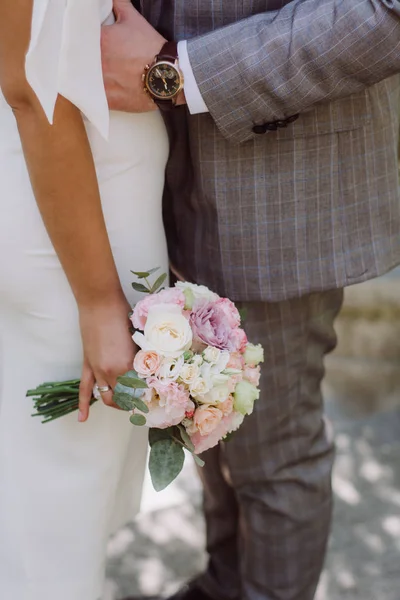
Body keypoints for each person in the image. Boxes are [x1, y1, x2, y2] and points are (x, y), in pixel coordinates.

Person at [100, 1, 400, 599]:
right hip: (147, 175)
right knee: (208, 418)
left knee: (276, 457)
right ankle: (225, 583)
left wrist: (175, 72)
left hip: (277, 181)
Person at [0, 1, 169, 599]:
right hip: (74, 257)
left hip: (83, 228)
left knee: (47, 502)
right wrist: (98, 301)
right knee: (54, 529)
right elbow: (31, 91)